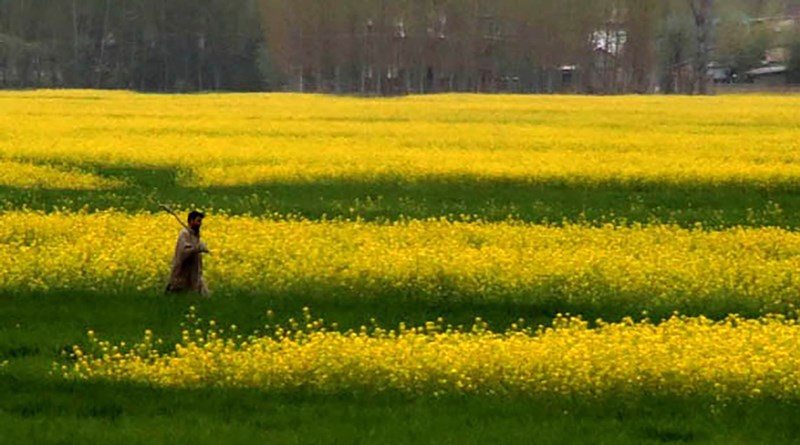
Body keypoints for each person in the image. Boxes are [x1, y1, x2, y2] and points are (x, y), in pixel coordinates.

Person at [165, 210, 210, 297]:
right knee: (179, 295)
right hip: (183, 273)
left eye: (201, 221)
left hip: (194, 272)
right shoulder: (184, 234)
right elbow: (183, 252)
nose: (200, 224)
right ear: (191, 221)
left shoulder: (195, 234)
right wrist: (197, 248)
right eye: (198, 221)